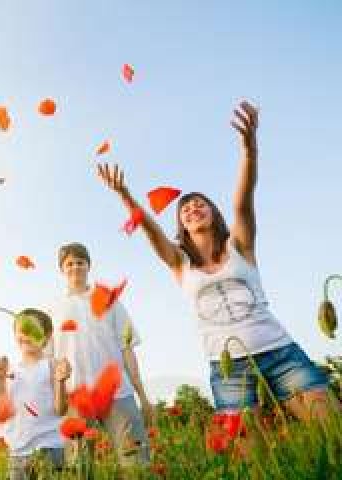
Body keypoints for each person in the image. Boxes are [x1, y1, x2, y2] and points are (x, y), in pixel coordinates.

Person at [97, 101, 334, 421]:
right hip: (228, 368)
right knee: (250, 455)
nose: (192, 208)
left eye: (200, 204)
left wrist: (249, 150)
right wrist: (125, 195)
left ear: (213, 213)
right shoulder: (180, 263)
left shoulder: (241, 246)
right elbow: (151, 232)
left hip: (280, 354)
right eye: (185, 209)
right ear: (181, 225)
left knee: (330, 427)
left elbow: (243, 200)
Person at [48, 242, 151, 465]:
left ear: (89, 266)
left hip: (117, 393)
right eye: (69, 264)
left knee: (136, 462)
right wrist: (57, 399)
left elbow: (127, 347)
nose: (75, 267)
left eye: (80, 262)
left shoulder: (109, 300)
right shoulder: (53, 308)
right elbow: (50, 362)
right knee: (80, 468)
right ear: (62, 270)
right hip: (76, 397)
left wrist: (141, 394)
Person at [0, 308, 72, 480]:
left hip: (48, 448)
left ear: (46, 336)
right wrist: (0, 379)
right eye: (22, 329)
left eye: (33, 329)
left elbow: (61, 410)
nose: (26, 334)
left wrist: (61, 381)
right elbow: (1, 413)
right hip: (18, 453)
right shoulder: (9, 370)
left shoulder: (51, 366)